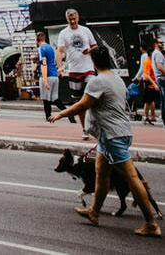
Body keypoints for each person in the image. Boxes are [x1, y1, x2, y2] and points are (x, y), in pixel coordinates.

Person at [49, 45, 160, 237]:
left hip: (112, 136)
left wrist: (61, 114)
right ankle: (94, 211)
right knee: (101, 174)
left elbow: (82, 105)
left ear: (93, 63)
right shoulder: (117, 79)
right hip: (114, 135)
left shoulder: (97, 82)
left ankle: (151, 223)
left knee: (132, 178)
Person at [56, 7, 98, 140]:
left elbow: (95, 46)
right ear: (67, 19)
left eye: (74, 19)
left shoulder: (85, 30)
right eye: (70, 19)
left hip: (88, 68)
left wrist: (89, 50)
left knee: (93, 98)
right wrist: (60, 67)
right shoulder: (64, 33)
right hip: (74, 70)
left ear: (78, 18)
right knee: (79, 102)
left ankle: (96, 125)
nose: (73, 21)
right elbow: (60, 50)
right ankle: (85, 128)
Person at [36, 32, 68, 122]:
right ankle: (68, 113)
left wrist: (45, 80)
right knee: (55, 98)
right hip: (54, 75)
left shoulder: (41, 48)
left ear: (37, 40)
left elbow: (44, 64)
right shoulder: (50, 47)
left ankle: (48, 117)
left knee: (46, 98)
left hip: (47, 75)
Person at [134, 35, 160, 125]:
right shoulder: (152, 60)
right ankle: (152, 116)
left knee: (146, 100)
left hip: (148, 81)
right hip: (153, 80)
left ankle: (146, 117)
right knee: (152, 100)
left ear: (141, 48)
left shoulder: (145, 58)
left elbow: (143, 70)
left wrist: (137, 77)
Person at [153, 36, 165, 126]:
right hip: (162, 78)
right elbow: (160, 67)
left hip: (159, 79)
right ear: (156, 44)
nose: (162, 44)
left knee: (163, 100)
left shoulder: (155, 53)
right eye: (160, 43)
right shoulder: (158, 54)